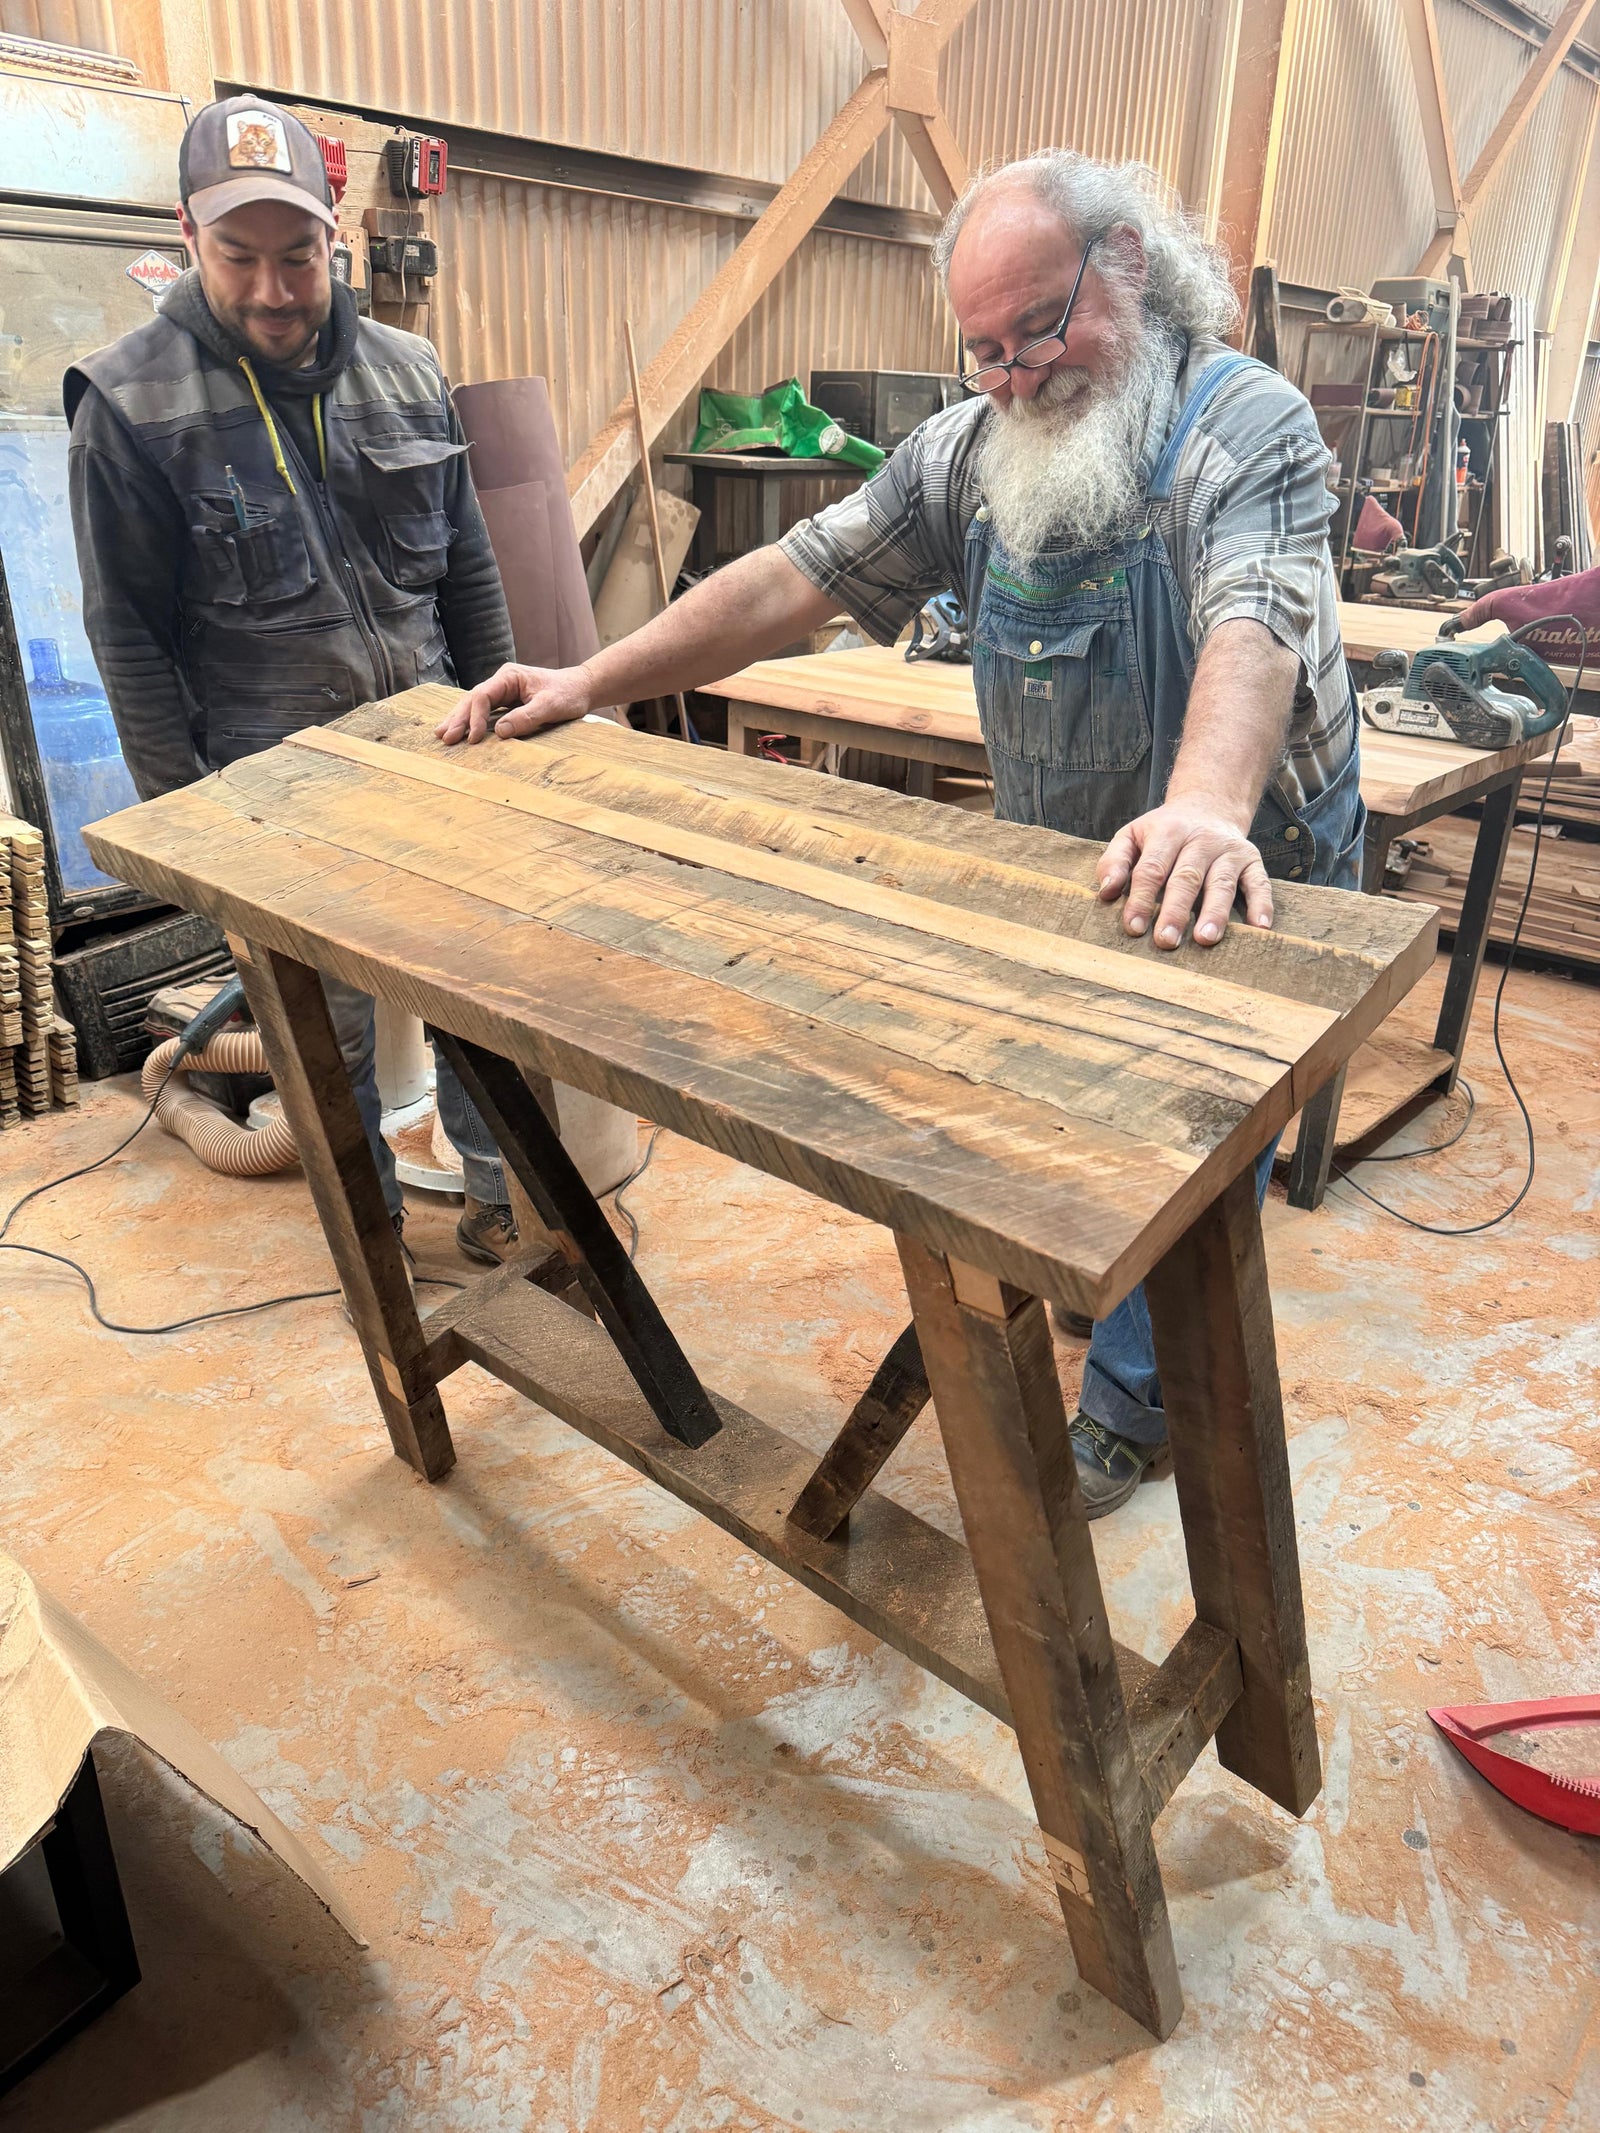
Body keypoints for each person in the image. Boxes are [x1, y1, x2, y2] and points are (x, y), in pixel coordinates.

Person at [439, 149, 1365, 1514]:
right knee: (1073, 1114)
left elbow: (1256, 612)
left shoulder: (1250, 427)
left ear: (1127, 268)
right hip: (1073, 856)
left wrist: (1208, 803)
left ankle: (1138, 1400)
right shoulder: (972, 451)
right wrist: (589, 678)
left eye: (1037, 332)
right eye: (980, 348)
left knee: (1192, 1145)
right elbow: (792, 578)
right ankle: (1118, 1303)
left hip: (1248, 853)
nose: (1010, 376)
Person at [66, 94, 523, 1271]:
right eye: (238, 257)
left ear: (335, 236)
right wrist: (197, 831)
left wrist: (512, 728)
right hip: (272, 785)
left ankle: (502, 1196)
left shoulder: (409, 371)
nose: (273, 290)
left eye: (296, 255)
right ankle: (369, 1244)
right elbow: (128, 637)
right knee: (333, 1040)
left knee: (486, 1000)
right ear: (187, 236)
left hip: (437, 748)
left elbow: (467, 570)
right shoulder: (130, 401)